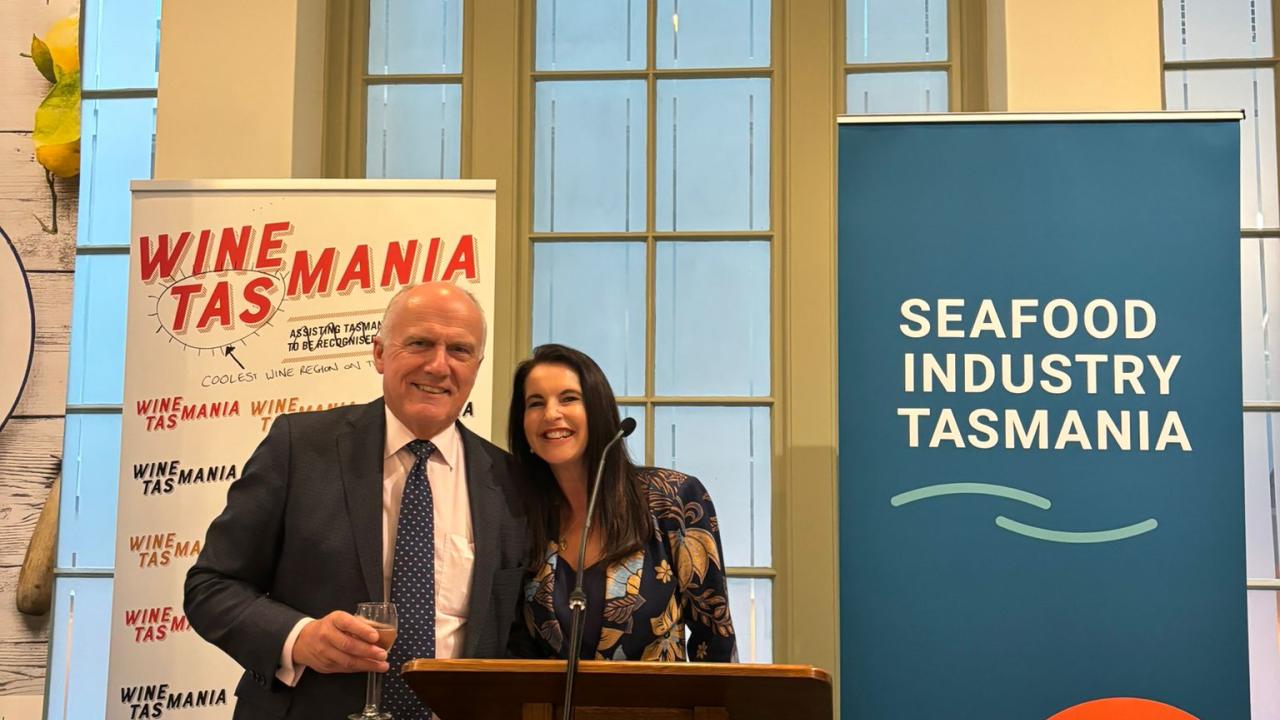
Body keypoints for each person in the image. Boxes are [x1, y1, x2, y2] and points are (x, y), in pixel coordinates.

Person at [185, 282, 528, 720]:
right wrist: (299, 637)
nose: (439, 365)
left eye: (460, 351)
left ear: (477, 367)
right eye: (420, 343)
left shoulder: (509, 480)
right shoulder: (299, 447)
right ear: (380, 353)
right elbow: (211, 586)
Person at [507, 343, 736, 662]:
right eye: (535, 403)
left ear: (599, 411)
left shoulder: (673, 498)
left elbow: (715, 643)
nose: (551, 414)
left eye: (569, 398)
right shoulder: (519, 513)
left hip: (661, 710)